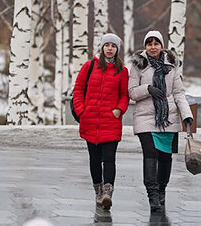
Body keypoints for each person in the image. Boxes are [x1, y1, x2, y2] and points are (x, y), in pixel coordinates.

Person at [129, 30, 193, 212]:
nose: (153, 47)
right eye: (149, 44)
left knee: (165, 158)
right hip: (145, 118)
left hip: (168, 118)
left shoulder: (171, 65)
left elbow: (179, 93)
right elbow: (132, 92)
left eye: (156, 43)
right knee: (150, 155)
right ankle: (152, 195)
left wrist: (187, 115)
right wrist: (148, 89)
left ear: (162, 45)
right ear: (145, 46)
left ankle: (162, 190)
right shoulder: (138, 65)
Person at [72, 33, 130, 210]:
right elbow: (78, 90)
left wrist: (119, 110)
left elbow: (124, 95)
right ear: (102, 47)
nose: (110, 48)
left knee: (109, 159)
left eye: (113, 46)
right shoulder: (89, 66)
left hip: (110, 121)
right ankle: (98, 191)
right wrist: (82, 112)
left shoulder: (122, 70)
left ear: (117, 49)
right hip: (90, 120)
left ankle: (107, 193)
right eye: (107, 45)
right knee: (94, 159)